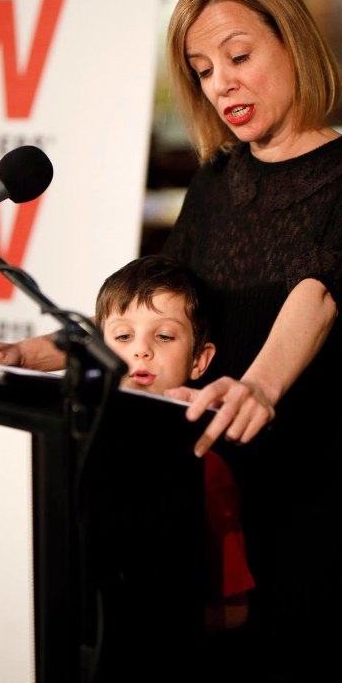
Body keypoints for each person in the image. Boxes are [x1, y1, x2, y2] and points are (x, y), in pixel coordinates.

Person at [0, 0, 342, 683]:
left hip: (313, 502)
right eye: (203, 69)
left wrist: (256, 385)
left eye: (239, 56)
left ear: (294, 42)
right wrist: (28, 353)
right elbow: (150, 317)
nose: (221, 83)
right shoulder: (217, 183)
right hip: (203, 487)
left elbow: (317, 291)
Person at [94, 253, 255, 634]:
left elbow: (234, 610)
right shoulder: (80, 444)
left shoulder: (207, 470)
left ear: (200, 360)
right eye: (122, 335)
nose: (140, 350)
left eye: (163, 336)